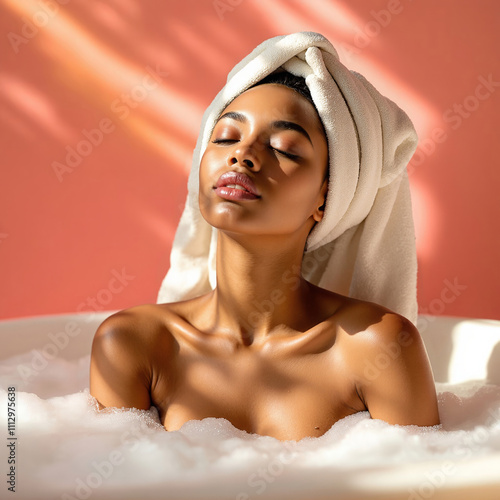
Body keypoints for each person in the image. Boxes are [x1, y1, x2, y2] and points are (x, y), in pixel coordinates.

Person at [90, 32, 440, 441]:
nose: (242, 154)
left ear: (327, 196)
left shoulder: (377, 349)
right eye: (225, 138)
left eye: (284, 148)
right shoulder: (135, 344)